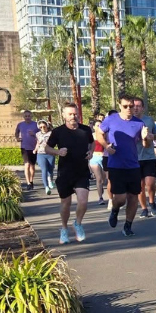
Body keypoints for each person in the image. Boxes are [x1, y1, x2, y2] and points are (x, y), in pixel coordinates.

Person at [96, 94, 152, 237]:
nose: (129, 109)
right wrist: (106, 146)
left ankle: (128, 225)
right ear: (120, 106)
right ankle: (115, 210)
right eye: (125, 106)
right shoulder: (111, 120)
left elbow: (145, 145)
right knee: (120, 198)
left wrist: (146, 138)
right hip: (116, 165)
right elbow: (99, 133)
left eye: (131, 106)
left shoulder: (139, 123)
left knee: (133, 197)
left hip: (133, 165)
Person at [45, 103, 94, 244]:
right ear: (64, 116)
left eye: (75, 113)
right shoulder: (58, 132)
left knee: (83, 201)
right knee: (66, 204)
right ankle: (64, 229)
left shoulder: (85, 130)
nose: (73, 116)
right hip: (65, 172)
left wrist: (90, 152)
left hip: (82, 171)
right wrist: (58, 152)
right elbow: (47, 148)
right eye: (70, 114)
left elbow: (92, 143)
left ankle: (77, 223)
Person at [132, 96, 156, 217]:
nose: (136, 108)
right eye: (134, 106)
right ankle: (144, 208)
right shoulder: (129, 121)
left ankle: (152, 202)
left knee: (150, 183)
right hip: (134, 158)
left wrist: (153, 136)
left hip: (149, 157)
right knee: (139, 186)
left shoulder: (149, 120)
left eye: (138, 106)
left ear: (143, 108)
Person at [15, 110, 39, 189]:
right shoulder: (20, 124)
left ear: (31, 116)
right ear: (23, 117)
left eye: (29, 116)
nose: (27, 117)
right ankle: (28, 183)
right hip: (24, 147)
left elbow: (41, 134)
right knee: (27, 164)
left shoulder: (36, 125)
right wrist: (17, 138)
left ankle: (31, 181)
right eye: (26, 116)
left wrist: (34, 134)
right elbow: (16, 132)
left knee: (32, 166)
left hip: (33, 148)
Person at [34, 120, 55, 195]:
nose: (42, 128)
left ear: (47, 126)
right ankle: (46, 187)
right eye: (40, 127)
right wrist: (35, 149)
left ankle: (50, 180)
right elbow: (37, 143)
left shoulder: (51, 133)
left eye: (44, 127)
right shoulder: (38, 134)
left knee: (51, 169)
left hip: (50, 153)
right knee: (44, 170)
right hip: (41, 154)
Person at [89, 118, 107, 205]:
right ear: (94, 127)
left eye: (101, 125)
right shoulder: (91, 136)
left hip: (104, 157)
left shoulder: (105, 136)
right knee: (99, 178)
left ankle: (101, 188)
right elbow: (88, 147)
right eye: (97, 125)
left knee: (103, 179)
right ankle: (100, 197)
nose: (99, 127)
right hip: (94, 158)